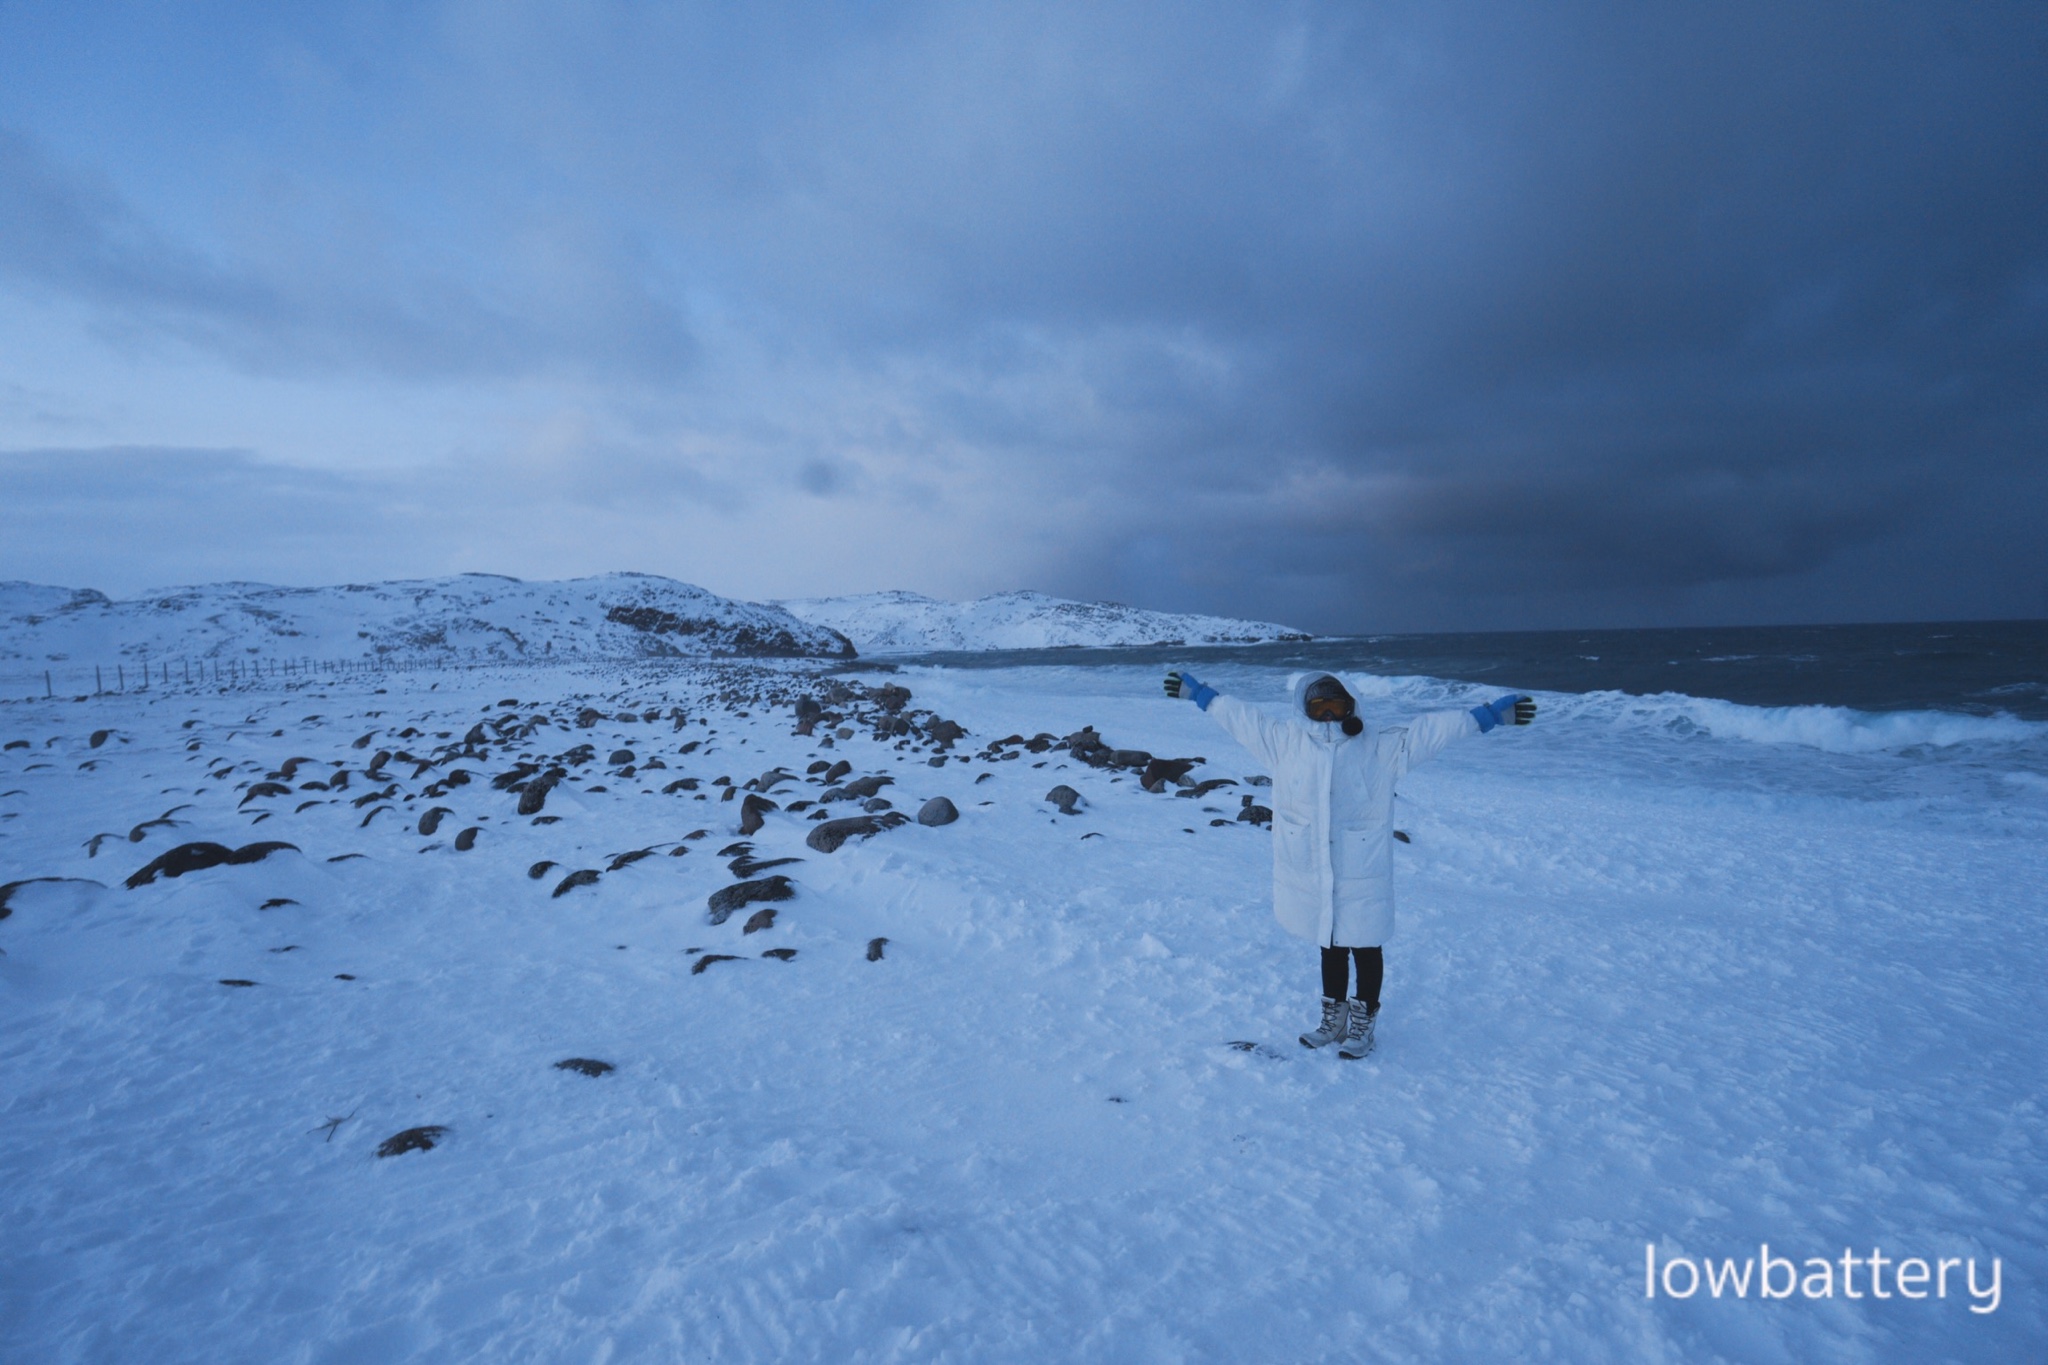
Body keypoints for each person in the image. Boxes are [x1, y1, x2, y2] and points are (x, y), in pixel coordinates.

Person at [1163, 668, 1536, 1058]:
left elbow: (1431, 732)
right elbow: (1241, 719)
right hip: (1309, 864)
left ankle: (1363, 1023)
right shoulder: (1285, 742)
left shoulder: (1379, 746)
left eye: (1336, 705)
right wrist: (1201, 694)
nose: (1327, 715)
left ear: (1351, 706)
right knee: (1330, 944)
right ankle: (1333, 1019)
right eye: (1319, 706)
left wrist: (1488, 716)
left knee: (1366, 944)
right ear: (1304, 708)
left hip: (1363, 865)